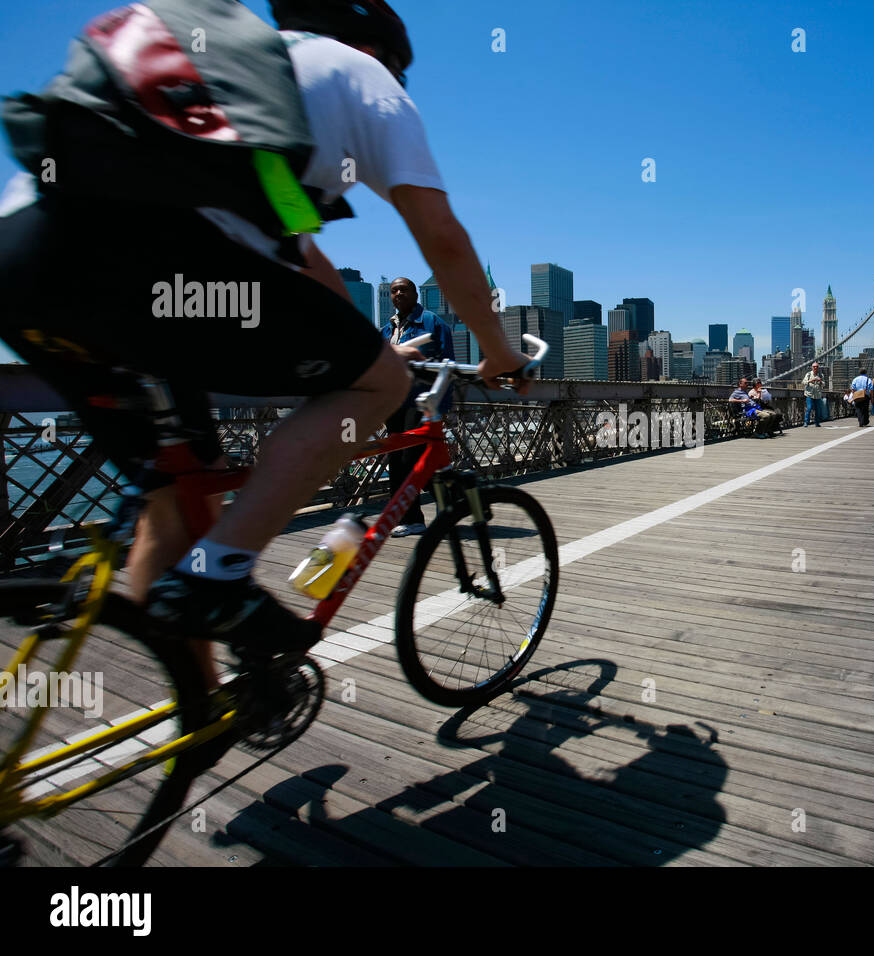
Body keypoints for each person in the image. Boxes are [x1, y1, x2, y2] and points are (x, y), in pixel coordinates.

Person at [0, 0, 533, 656]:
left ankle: (193, 708)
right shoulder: (357, 72)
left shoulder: (240, 93)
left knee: (179, 496)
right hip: (152, 265)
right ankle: (219, 581)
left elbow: (300, 253)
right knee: (377, 386)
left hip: (22, 258)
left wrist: (366, 345)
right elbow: (443, 240)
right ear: (383, 56)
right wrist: (501, 354)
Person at [379, 276, 453, 536]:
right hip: (394, 403)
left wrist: (440, 405)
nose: (398, 293)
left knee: (412, 458)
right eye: (393, 290)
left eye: (403, 289)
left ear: (415, 294)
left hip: (421, 401)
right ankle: (411, 518)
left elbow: (448, 366)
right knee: (397, 461)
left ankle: (451, 499)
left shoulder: (432, 323)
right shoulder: (387, 330)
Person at [801, 362, 825, 428]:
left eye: (816, 366)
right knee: (809, 408)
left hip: (818, 395)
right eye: (814, 366)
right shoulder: (808, 374)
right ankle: (806, 422)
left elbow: (824, 384)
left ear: (818, 367)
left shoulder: (821, 375)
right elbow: (803, 382)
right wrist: (810, 381)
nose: (815, 368)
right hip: (809, 395)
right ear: (812, 367)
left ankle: (817, 423)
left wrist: (820, 381)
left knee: (818, 409)